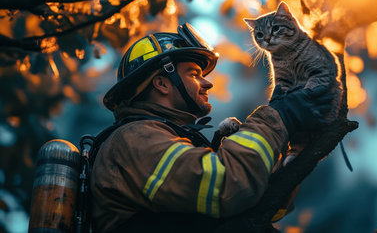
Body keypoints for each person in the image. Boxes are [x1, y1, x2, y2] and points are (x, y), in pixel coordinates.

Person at [90, 23, 332, 232]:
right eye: (195, 73)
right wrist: (276, 118)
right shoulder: (134, 140)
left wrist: (292, 147)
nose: (208, 83)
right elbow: (228, 186)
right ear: (162, 83)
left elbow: (266, 206)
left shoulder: (173, 139)